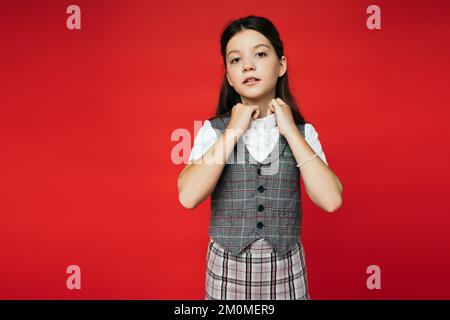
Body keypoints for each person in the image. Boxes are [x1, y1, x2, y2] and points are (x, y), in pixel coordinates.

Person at [177, 15, 343, 300]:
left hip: (286, 270)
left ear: (281, 65)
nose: (248, 66)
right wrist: (233, 130)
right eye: (236, 60)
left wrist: (291, 131)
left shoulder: (304, 133)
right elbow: (188, 197)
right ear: (230, 76)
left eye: (260, 54)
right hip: (226, 271)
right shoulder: (213, 130)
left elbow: (331, 200)